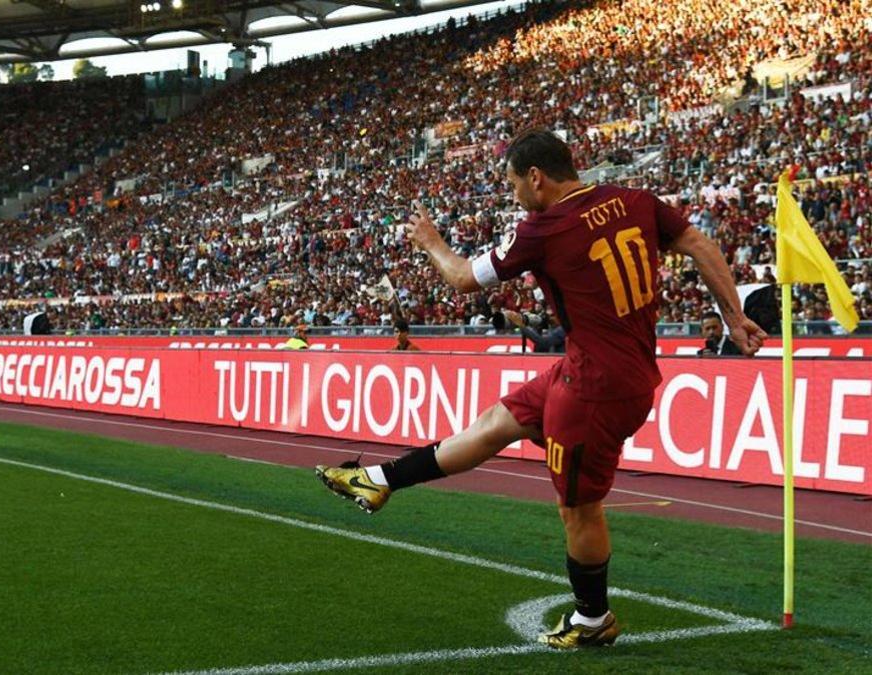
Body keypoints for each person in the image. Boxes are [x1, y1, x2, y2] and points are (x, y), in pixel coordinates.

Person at [315, 127, 766, 649]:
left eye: (513, 185)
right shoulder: (636, 200)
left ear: (536, 177)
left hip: (597, 387)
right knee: (496, 422)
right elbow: (699, 244)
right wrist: (733, 318)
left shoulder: (544, 228)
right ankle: (380, 479)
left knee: (579, 508)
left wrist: (432, 242)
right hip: (595, 367)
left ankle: (593, 620)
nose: (513, 196)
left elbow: (462, 277)